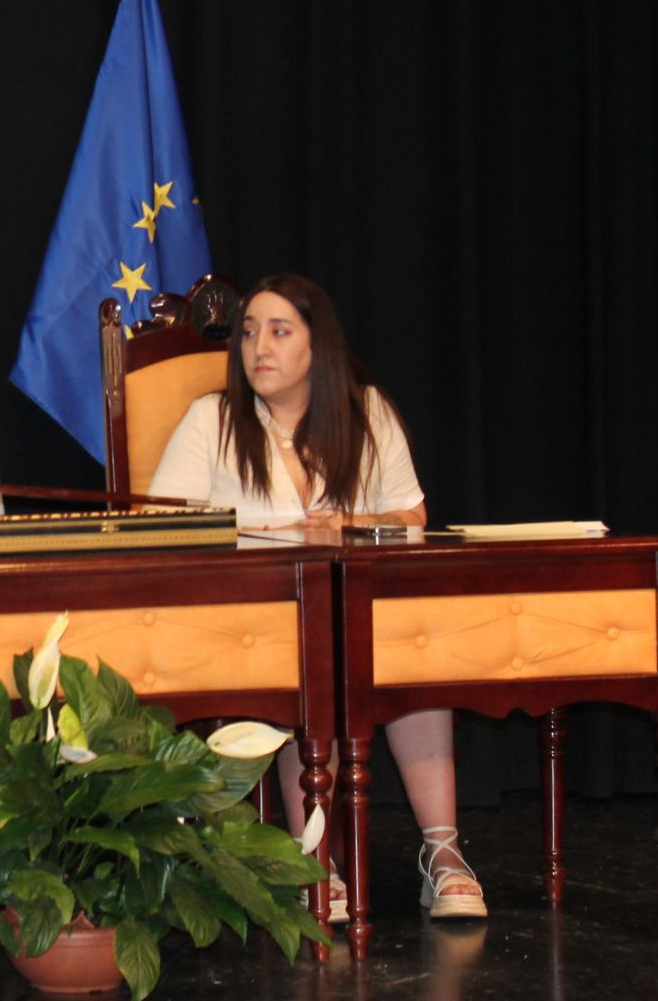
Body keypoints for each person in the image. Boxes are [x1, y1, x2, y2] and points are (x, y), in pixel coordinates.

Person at [149, 272, 485, 921]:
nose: (258, 348)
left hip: (355, 608)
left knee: (415, 656)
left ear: (317, 345)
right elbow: (163, 528)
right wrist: (272, 537)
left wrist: (350, 526)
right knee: (308, 659)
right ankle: (314, 860)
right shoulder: (211, 420)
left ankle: (444, 856)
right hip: (252, 619)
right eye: (249, 333)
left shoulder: (367, 413)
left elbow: (413, 518)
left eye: (278, 332)